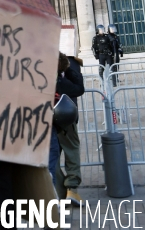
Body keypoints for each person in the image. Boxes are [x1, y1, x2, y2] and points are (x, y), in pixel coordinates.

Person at [53, 52, 85, 206]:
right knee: (71, 150)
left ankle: (60, 192)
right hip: (65, 119)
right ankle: (71, 189)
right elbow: (79, 89)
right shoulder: (61, 80)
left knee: (52, 158)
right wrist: (70, 68)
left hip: (46, 121)